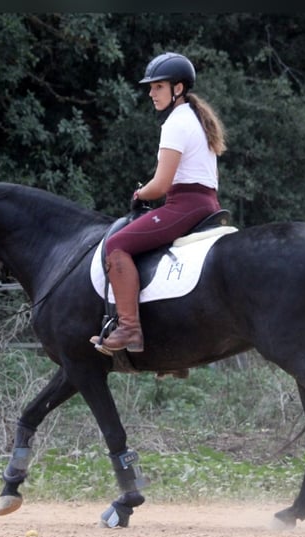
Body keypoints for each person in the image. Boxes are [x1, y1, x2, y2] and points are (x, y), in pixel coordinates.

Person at [91, 52, 227, 355]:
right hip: (208, 203)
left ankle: (128, 328)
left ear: (178, 88)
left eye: (158, 87)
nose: (151, 93)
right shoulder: (195, 118)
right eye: (150, 87)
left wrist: (140, 194)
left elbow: (161, 185)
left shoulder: (176, 123)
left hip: (185, 204)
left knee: (116, 245)